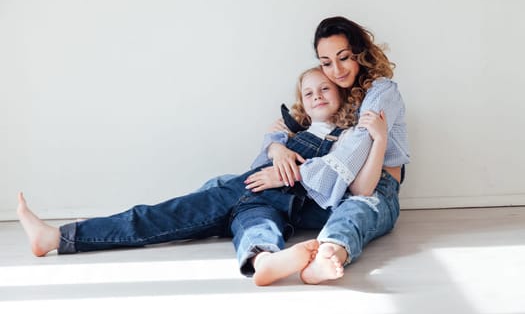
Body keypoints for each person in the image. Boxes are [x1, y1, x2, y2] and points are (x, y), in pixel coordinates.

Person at [17, 65, 388, 286]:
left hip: (278, 197)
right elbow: (264, 152)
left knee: (236, 224)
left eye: (325, 88)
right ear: (302, 104)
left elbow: (338, 180)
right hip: (246, 191)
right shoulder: (289, 132)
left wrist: (289, 171)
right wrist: (277, 148)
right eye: (309, 93)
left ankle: (57, 237)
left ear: (340, 94)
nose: (318, 95)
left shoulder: (348, 136)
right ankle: (262, 262)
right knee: (177, 218)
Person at [200, 16, 410, 285]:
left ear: (361, 53)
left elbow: (356, 166)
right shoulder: (334, 92)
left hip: (373, 187)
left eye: (344, 57)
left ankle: (328, 253)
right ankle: (262, 256)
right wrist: (277, 149)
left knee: (356, 208)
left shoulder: (382, 92)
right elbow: (289, 132)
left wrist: (296, 174)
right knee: (235, 189)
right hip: (330, 187)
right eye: (326, 63)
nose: (336, 69)